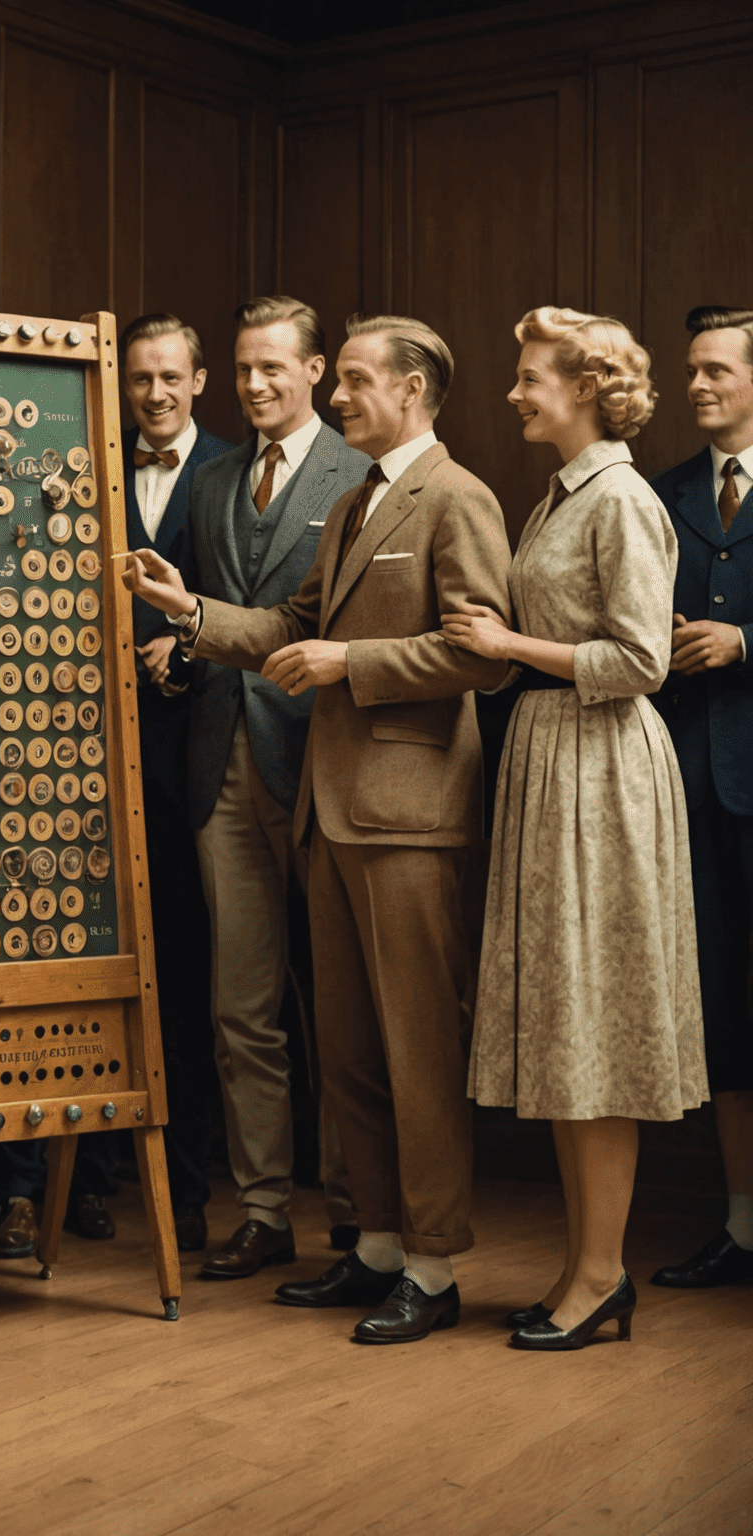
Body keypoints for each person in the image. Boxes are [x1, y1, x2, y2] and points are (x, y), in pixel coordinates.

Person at [122, 314, 512, 1344]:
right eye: (335, 382)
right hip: (335, 815)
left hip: (414, 817)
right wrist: (191, 612)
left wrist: (358, 666)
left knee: (416, 1046)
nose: (336, 400)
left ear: (414, 390)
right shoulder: (356, 502)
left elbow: (487, 656)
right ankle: (376, 1247)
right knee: (348, 1048)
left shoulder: (457, 497)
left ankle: (431, 1267)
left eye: (352, 382)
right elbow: (293, 630)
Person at [446, 306, 706, 1349]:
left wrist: (513, 642)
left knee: (596, 1027)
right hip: (555, 762)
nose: (516, 391)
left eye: (531, 376)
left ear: (588, 387)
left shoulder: (624, 500)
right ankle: (583, 1269)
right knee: (567, 1030)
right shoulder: (559, 495)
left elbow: (642, 661)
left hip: (602, 769)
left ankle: (600, 1276)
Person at [173, 297, 367, 1280]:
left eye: (272, 368)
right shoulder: (211, 485)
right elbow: (214, 620)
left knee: (335, 999)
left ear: (317, 368)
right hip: (221, 768)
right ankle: (259, 1209)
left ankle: (350, 1208)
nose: (254, 385)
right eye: (243, 369)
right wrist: (177, 651)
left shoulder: (366, 474)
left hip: (324, 766)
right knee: (239, 1005)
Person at [119, 312, 233, 1252]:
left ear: (199, 382)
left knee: (192, 969)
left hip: (203, 750)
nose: (154, 395)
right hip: (96, 753)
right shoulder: (92, 467)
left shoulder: (233, 473)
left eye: (170, 378)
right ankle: (97, 1174)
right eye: (139, 380)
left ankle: (191, 1186)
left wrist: (181, 650)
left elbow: (259, 610)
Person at [648, 305, 753, 1293]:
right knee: (722, 1009)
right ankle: (742, 1225)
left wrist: (745, 642)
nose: (697, 385)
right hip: (686, 784)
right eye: (691, 371)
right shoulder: (668, 491)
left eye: (717, 368)